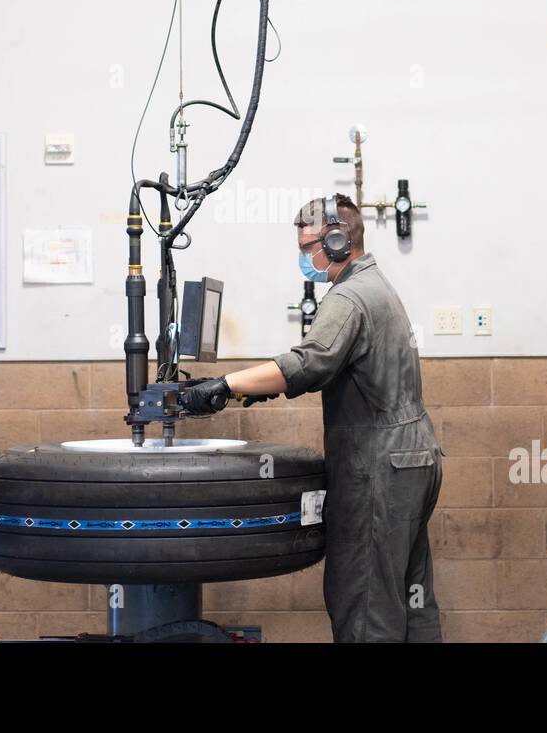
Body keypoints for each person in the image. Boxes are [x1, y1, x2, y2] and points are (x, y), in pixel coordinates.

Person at [185, 194, 443, 642]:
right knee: (408, 594)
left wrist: (227, 384)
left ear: (339, 241)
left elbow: (310, 363)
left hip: (379, 470)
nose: (305, 258)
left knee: (364, 600)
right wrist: (258, 390)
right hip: (414, 461)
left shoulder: (349, 297)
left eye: (309, 248)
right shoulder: (378, 285)